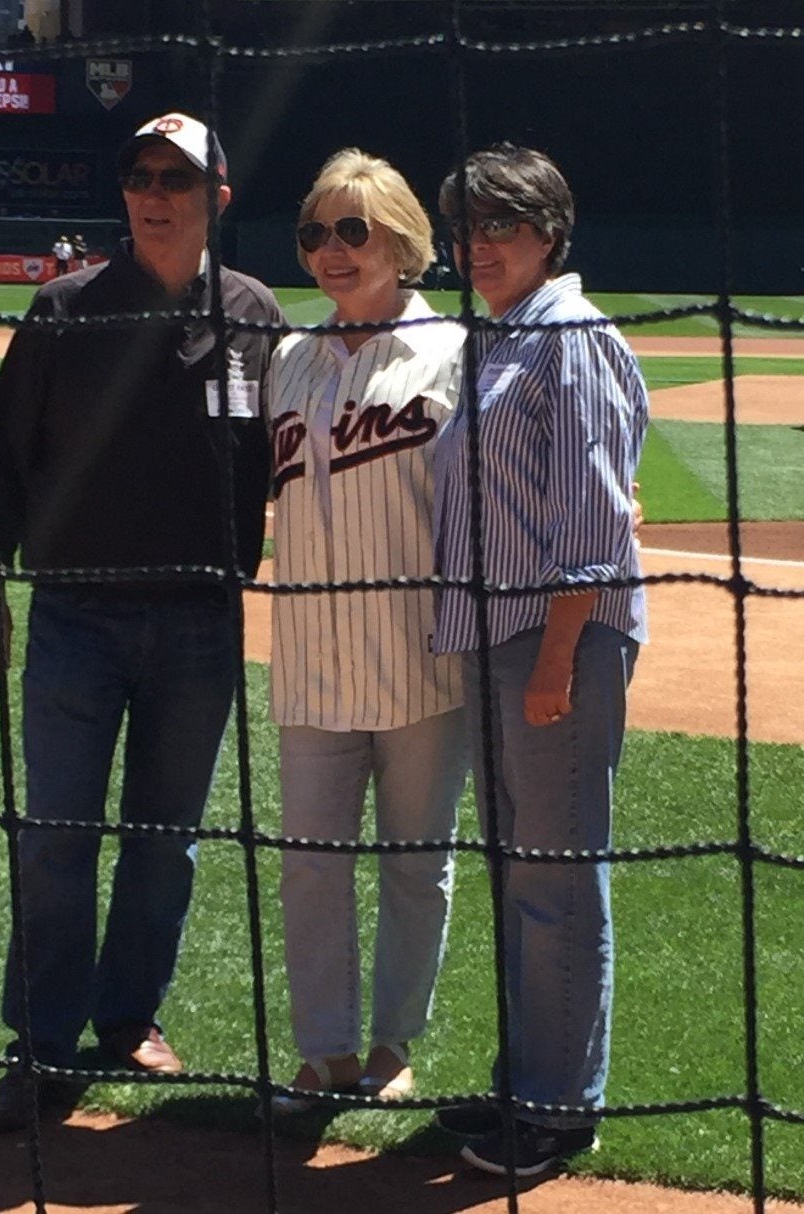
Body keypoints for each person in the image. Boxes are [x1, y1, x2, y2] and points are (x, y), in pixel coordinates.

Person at [0, 111, 284, 1131]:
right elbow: (3, 451)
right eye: (140, 175)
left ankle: (127, 1018)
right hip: (75, 616)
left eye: (176, 179)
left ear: (215, 198)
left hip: (198, 623)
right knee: (57, 833)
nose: (154, 193)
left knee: (164, 841)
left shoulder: (253, 311)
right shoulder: (64, 307)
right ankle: (42, 1044)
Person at [431, 144, 649, 1176]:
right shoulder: (499, 335)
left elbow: (590, 517)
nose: (480, 245)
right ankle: (528, 1075)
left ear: (547, 235)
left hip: (554, 637)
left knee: (555, 877)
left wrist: (556, 658)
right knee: (522, 873)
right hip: (499, 634)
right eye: (468, 226)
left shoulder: (569, 337)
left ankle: (559, 1106)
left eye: (501, 225)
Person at [267, 149, 470, 1110]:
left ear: (401, 239)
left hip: (422, 660)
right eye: (317, 233)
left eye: (354, 229)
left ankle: (393, 1045)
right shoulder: (287, 361)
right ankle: (323, 1052)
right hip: (309, 662)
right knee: (308, 868)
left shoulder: (456, 351)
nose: (333, 251)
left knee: (414, 868)